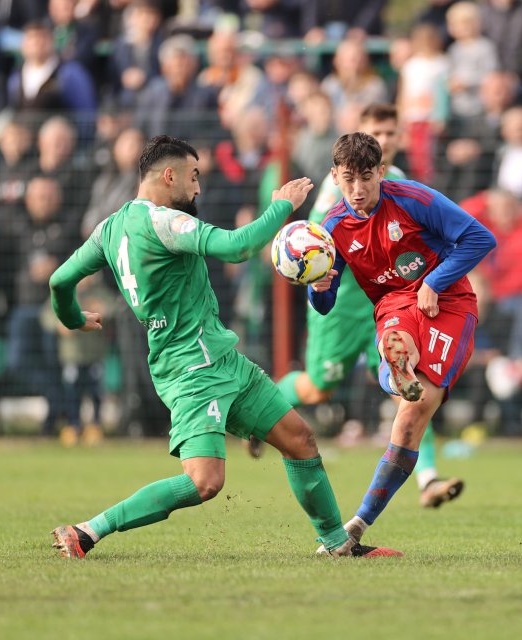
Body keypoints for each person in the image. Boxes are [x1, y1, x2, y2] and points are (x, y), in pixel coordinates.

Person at [49, 135, 398, 560]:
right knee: (204, 482)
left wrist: (72, 318)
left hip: (224, 360)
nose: (198, 188)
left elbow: (60, 281)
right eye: (194, 177)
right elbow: (239, 248)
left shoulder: (108, 228)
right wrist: (283, 206)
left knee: (300, 439)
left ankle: (337, 544)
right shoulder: (166, 223)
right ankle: (87, 531)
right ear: (169, 175)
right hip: (191, 371)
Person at [308, 132, 496, 548]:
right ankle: (395, 371)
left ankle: (358, 523)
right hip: (394, 302)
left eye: (365, 178)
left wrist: (435, 279)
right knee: (396, 339)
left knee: (416, 413)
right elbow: (323, 304)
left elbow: (481, 238)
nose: (357, 190)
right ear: (334, 177)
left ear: (380, 172)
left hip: (449, 301)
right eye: (347, 180)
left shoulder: (414, 199)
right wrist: (318, 286)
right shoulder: (333, 227)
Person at [277, 104, 467, 509]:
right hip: (345, 302)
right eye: (375, 132)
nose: (384, 140)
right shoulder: (342, 192)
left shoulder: (397, 182)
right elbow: (318, 248)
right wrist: (318, 282)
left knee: (410, 382)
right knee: (317, 388)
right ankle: (266, 407)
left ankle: (427, 478)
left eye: (391, 133)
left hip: (390, 300)